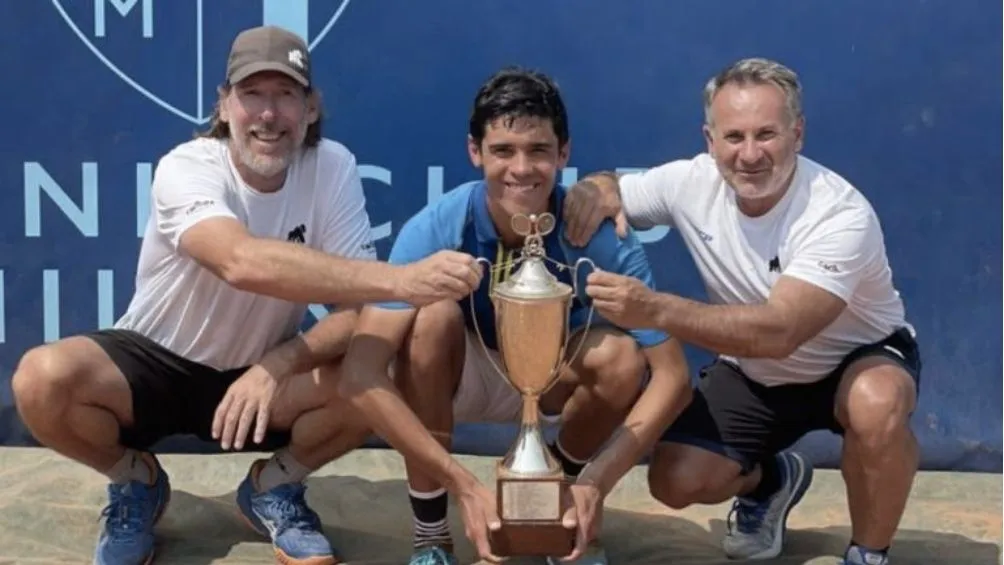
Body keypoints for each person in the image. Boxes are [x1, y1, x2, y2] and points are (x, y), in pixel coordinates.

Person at [11, 25, 482, 565]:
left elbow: (358, 313)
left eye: (285, 95)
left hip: (263, 374)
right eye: (252, 94)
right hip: (152, 362)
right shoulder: (185, 166)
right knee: (40, 380)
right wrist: (402, 280)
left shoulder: (333, 165)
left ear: (310, 108)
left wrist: (279, 363)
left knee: (380, 368)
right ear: (224, 105)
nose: (268, 114)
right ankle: (134, 482)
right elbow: (238, 260)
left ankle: (273, 487)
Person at [561, 57, 921, 565]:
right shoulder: (690, 181)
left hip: (856, 359)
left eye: (766, 134)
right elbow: (610, 189)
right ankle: (773, 480)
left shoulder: (840, 213)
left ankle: (868, 554)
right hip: (754, 372)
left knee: (875, 403)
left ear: (797, 134)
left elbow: (780, 332)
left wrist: (656, 310)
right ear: (710, 140)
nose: (750, 154)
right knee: (674, 480)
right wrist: (594, 190)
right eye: (734, 137)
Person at [329, 67, 692, 565]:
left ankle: (555, 505)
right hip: (463, 373)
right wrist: (464, 487)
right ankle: (431, 535)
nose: (521, 169)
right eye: (503, 150)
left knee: (622, 359)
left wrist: (594, 484)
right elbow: (359, 375)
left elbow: (673, 376)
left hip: (551, 378)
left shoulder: (601, 237)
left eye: (538, 150)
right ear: (475, 152)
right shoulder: (440, 224)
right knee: (432, 318)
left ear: (563, 153)